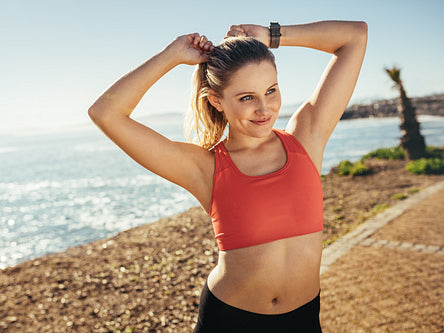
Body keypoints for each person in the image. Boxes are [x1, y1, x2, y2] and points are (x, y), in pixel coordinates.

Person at [89, 20, 367, 332]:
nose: (265, 108)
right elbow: (105, 113)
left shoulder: (306, 137)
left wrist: (272, 36)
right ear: (216, 101)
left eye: (271, 91)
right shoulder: (204, 167)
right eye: (247, 97)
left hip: (302, 319)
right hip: (231, 321)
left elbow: (355, 36)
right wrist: (171, 55)